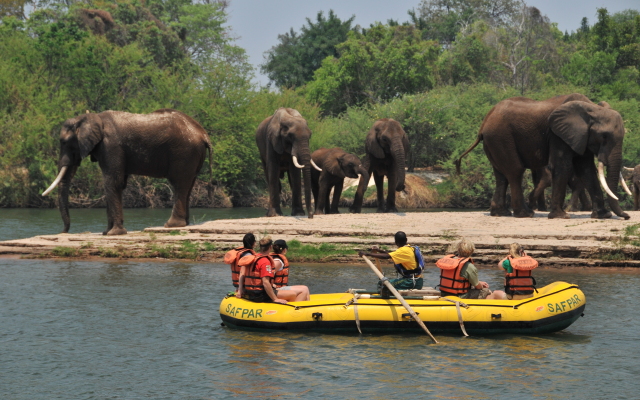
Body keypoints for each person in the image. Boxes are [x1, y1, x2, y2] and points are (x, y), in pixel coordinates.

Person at [240, 236, 309, 303]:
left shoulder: (253, 258)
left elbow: (242, 274)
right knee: (296, 293)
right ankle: (292, 312)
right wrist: (275, 299)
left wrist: (240, 291)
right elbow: (265, 282)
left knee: (296, 292)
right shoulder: (265, 262)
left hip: (251, 293)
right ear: (270, 247)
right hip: (261, 294)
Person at [436, 238, 505, 300]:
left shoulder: (449, 261)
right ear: (471, 251)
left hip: (444, 293)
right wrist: (480, 285)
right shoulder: (469, 266)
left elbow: (459, 279)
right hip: (461, 296)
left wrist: (479, 282)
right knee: (486, 291)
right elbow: (478, 287)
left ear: (458, 249)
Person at [358, 231, 424, 292]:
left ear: (395, 242)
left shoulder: (403, 251)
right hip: (417, 281)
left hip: (411, 282)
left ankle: (384, 301)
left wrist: (367, 254)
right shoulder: (410, 248)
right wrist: (379, 251)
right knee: (386, 282)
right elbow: (391, 254)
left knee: (383, 283)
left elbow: (386, 256)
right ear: (406, 240)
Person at [223, 233, 256, 297]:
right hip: (245, 287)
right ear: (253, 243)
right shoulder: (248, 255)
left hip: (238, 285)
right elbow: (242, 272)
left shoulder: (239, 253)